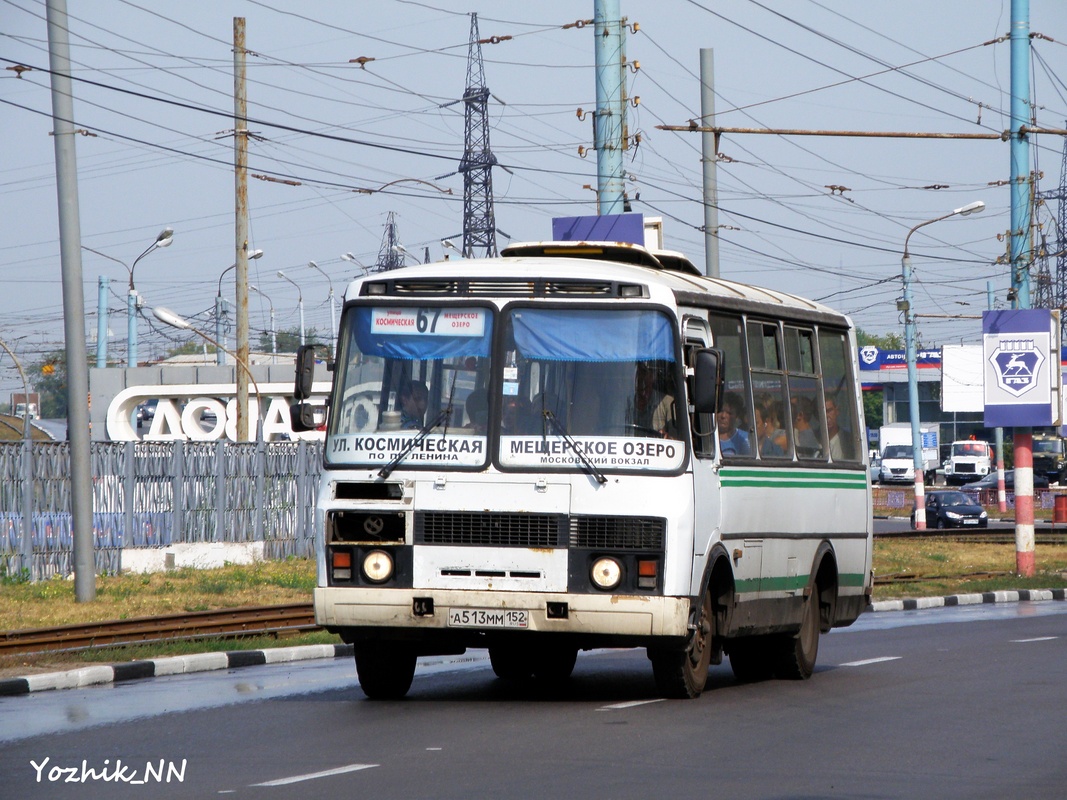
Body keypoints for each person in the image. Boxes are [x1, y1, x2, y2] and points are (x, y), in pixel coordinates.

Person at [633, 362, 677, 438]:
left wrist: (667, 437)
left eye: (645, 372)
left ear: (653, 376)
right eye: (639, 372)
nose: (641, 377)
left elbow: (677, 441)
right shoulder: (621, 404)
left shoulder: (668, 403)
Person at [825, 396, 854, 460]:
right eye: (823, 412)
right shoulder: (813, 439)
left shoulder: (849, 440)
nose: (826, 416)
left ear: (837, 411)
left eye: (829, 411)